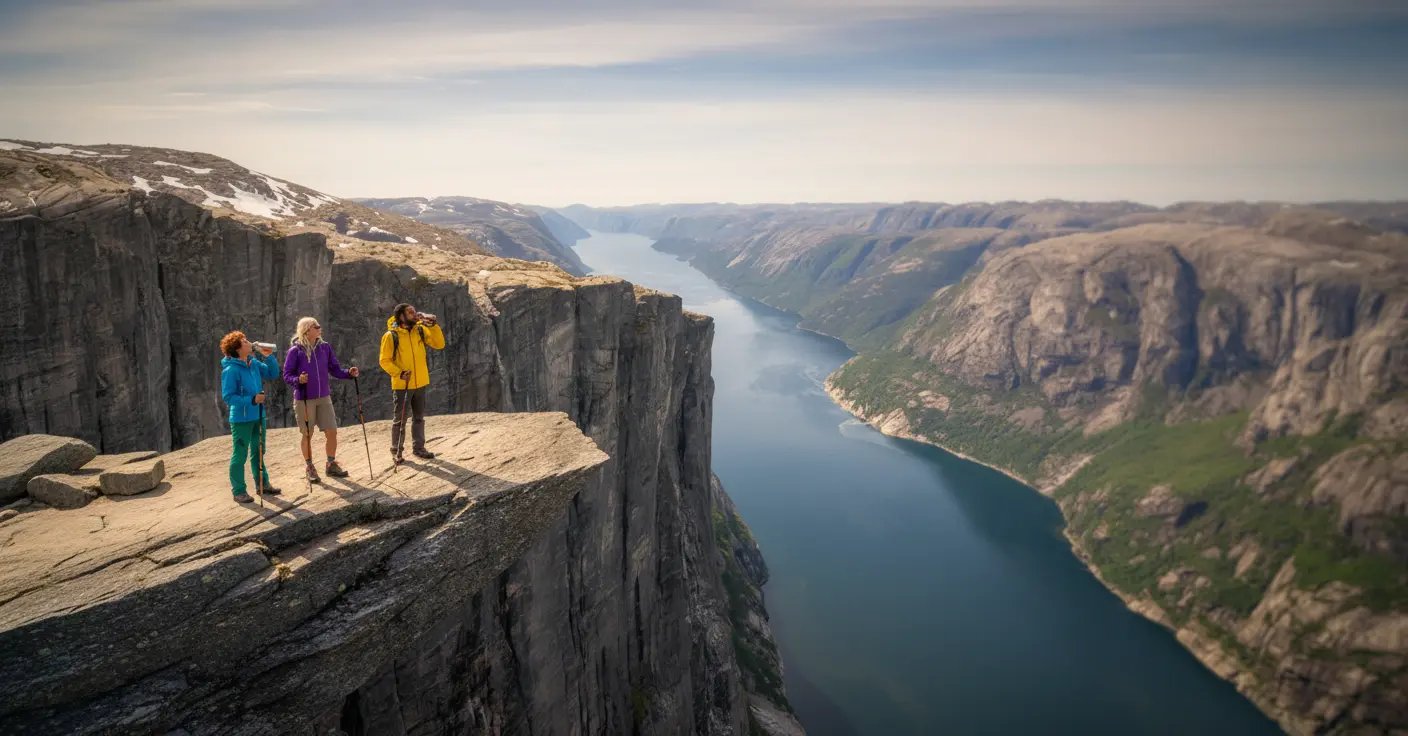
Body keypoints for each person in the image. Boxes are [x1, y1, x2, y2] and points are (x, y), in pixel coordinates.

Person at [283, 317, 360, 483]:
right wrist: (298, 380)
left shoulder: (324, 348)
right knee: (308, 433)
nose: (319, 329)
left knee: (332, 430)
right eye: (315, 327)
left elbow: (335, 369)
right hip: (304, 399)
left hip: (323, 397)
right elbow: (287, 375)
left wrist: (348, 373)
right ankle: (309, 467)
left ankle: (331, 463)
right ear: (306, 330)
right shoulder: (295, 351)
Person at [220, 331, 281, 502]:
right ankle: (239, 491)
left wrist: (268, 357)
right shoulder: (230, 370)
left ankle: (263, 484)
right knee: (240, 454)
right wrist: (252, 400)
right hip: (241, 419)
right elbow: (228, 397)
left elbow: (272, 374)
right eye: (245, 341)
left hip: (258, 415)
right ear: (237, 348)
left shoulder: (252, 363)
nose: (249, 343)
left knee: (259, 451)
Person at [378, 303, 444, 462]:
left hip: (420, 381)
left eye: (415, 312)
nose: (415, 315)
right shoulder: (391, 336)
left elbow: (439, 344)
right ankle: (396, 451)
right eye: (411, 313)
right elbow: (384, 361)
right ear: (401, 317)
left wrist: (433, 325)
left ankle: (419, 448)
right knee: (400, 420)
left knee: (419, 417)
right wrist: (399, 373)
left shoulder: (419, 330)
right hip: (402, 384)